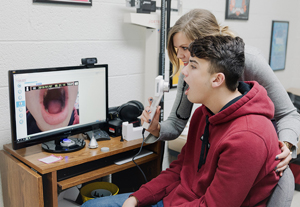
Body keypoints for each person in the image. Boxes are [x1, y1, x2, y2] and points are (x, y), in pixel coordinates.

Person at [82, 35, 281, 207]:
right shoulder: (203, 114)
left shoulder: (248, 137)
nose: (183, 72)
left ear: (217, 79)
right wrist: (137, 198)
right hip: (176, 199)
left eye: (192, 66)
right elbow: (180, 171)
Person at [142, 8, 300, 175]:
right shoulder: (188, 70)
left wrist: (286, 145)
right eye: (176, 49)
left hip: (258, 146)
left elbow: (288, 113)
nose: (180, 55)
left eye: (185, 48)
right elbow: (176, 123)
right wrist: (156, 128)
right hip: (224, 145)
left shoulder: (250, 60)